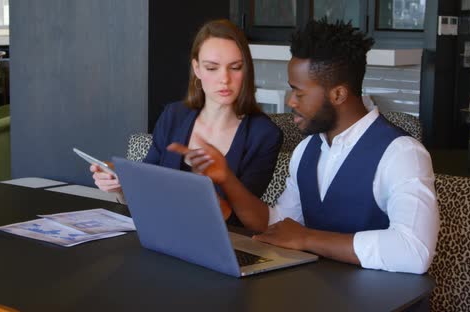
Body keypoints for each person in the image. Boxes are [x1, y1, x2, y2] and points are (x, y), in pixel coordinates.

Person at [170, 19, 439, 274]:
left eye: (299, 93)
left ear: (338, 94)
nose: (291, 102)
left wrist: (308, 238)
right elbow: (278, 224)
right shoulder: (307, 150)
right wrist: (226, 178)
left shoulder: (402, 154)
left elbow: (415, 251)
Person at [91, 19, 283, 227]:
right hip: (161, 233)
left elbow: (248, 220)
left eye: (235, 67)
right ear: (197, 69)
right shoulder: (174, 115)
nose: (224, 79)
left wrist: (212, 202)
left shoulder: (264, 135)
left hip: (224, 243)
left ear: (246, 70)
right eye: (212, 68)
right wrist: (120, 184)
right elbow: (145, 188)